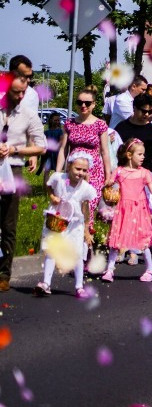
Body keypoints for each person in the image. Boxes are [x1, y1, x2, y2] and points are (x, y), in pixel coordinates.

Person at [0, 70, 47, 292]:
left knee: (8, 223)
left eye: (23, 92)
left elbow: (41, 144)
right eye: (15, 92)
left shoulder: (28, 114)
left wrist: (15, 149)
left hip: (13, 169)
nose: (19, 96)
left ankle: (4, 274)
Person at [101, 139, 152, 283]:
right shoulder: (119, 171)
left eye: (143, 154)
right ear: (129, 155)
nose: (143, 157)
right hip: (123, 211)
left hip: (140, 211)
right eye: (139, 154)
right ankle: (109, 269)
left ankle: (150, 270)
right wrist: (107, 187)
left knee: (143, 240)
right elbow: (108, 185)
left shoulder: (144, 173)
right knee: (116, 240)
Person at [35, 152, 96, 298]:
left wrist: (86, 230)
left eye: (84, 170)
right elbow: (49, 186)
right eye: (77, 169)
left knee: (77, 254)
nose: (80, 173)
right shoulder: (59, 178)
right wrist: (52, 197)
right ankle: (46, 283)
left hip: (74, 224)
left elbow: (86, 208)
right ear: (69, 166)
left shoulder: (86, 188)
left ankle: (79, 286)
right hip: (56, 219)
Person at [56, 88, 111, 228]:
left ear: (93, 104)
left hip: (94, 173)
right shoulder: (69, 124)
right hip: (73, 172)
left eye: (87, 103)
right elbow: (63, 149)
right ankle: (72, 240)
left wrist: (108, 176)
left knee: (88, 207)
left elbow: (105, 152)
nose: (83, 106)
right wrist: (57, 173)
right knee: (70, 205)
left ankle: (86, 241)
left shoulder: (100, 124)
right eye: (79, 102)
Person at [37, 112, 63, 185]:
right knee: (46, 171)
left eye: (58, 120)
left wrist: (56, 147)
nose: (57, 122)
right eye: (55, 120)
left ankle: (57, 187)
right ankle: (45, 189)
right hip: (48, 154)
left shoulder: (60, 131)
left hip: (56, 154)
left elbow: (61, 141)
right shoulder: (46, 132)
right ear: (51, 120)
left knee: (57, 171)